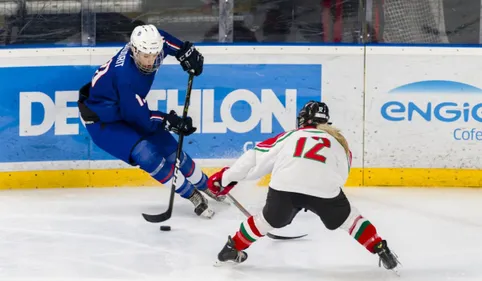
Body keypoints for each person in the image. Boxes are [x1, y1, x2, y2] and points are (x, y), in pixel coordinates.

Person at [207, 101, 400, 271]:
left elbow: (254, 158)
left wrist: (225, 179)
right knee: (350, 219)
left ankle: (231, 250)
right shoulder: (339, 142)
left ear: (303, 120)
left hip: (285, 185)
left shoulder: (290, 136)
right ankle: (379, 247)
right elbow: (342, 175)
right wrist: (320, 188)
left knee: (264, 221)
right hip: (324, 188)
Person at [77, 24, 225, 219]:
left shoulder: (150, 46)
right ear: (133, 50)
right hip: (103, 121)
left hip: (124, 107)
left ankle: (206, 184)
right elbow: (141, 120)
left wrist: (184, 51)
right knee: (146, 154)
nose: (149, 61)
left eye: (154, 55)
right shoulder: (126, 78)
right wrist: (170, 121)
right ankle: (192, 194)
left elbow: (163, 38)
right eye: (145, 56)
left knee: (171, 151)